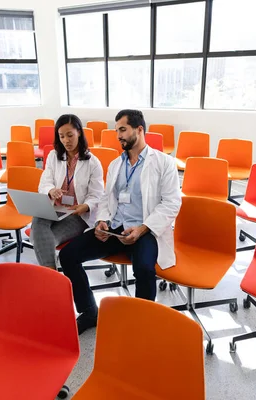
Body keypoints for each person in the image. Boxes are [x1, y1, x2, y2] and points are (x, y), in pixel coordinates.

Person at [59, 109, 182, 334]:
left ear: (139, 129)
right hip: (115, 228)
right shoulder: (116, 164)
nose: (118, 136)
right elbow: (106, 198)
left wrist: (143, 228)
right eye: (117, 131)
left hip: (145, 230)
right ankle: (89, 311)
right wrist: (102, 222)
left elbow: (172, 203)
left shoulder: (164, 163)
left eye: (123, 130)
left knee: (145, 269)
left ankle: (141, 324)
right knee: (67, 255)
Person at [30, 114, 104, 269]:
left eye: (70, 135)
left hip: (76, 213)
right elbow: (45, 181)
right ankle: (53, 276)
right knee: (38, 219)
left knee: (43, 239)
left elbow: (96, 194)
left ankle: (50, 276)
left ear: (79, 133)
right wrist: (51, 190)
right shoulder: (53, 156)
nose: (66, 141)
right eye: (61, 136)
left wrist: (85, 206)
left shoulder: (93, 163)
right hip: (55, 208)